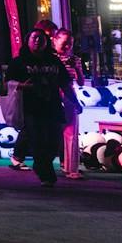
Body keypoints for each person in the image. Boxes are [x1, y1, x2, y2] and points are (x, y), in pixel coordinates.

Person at [8, 29, 71, 187]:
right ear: (27, 41)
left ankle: (42, 165)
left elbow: (65, 83)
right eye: (34, 38)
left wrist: (74, 101)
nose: (37, 41)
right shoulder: (19, 62)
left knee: (53, 142)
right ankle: (46, 174)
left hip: (53, 106)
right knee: (38, 141)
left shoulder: (54, 61)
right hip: (31, 108)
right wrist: (22, 86)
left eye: (41, 39)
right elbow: (7, 83)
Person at [51, 26, 86, 180]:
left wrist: (77, 68)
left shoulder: (75, 60)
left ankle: (71, 167)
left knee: (71, 132)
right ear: (54, 40)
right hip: (52, 96)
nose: (67, 47)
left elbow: (81, 82)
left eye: (70, 44)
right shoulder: (50, 58)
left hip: (69, 96)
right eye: (64, 43)